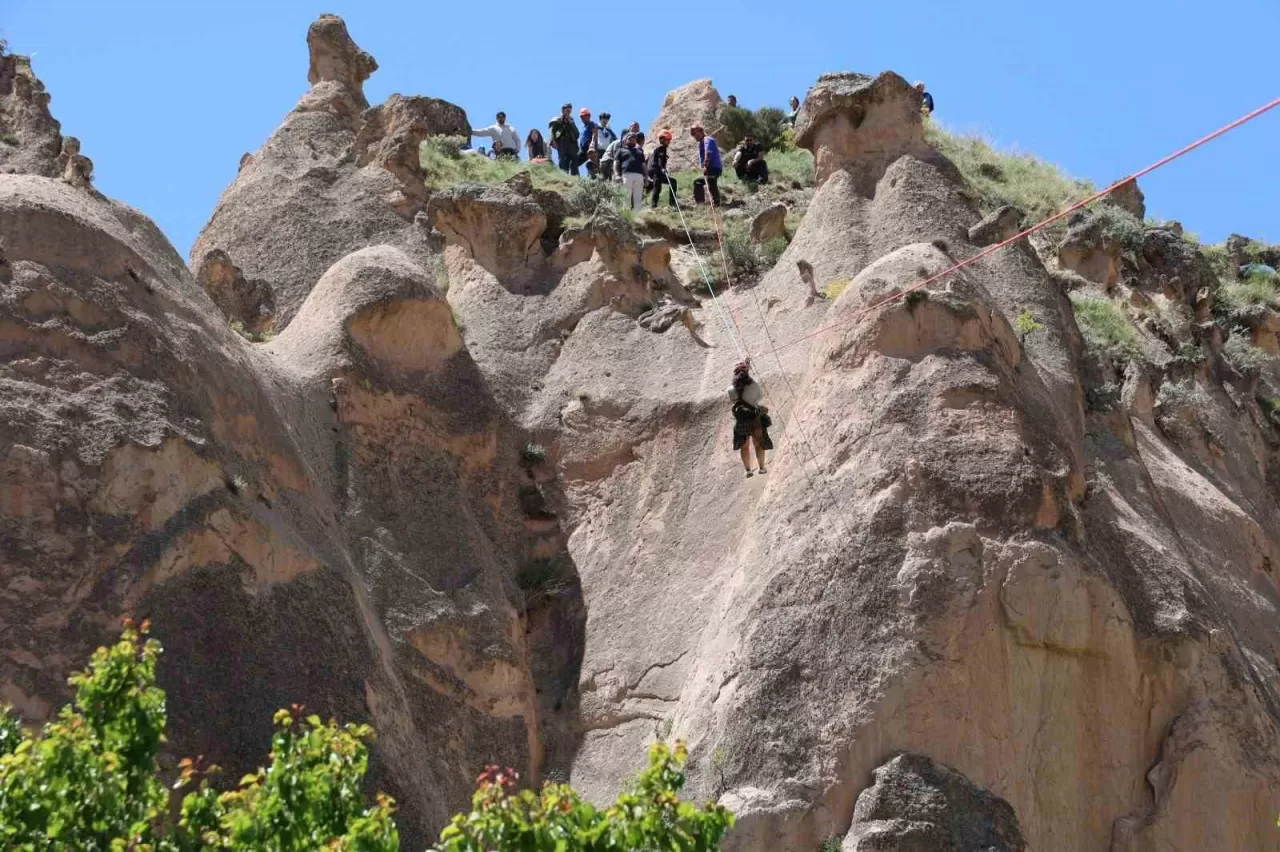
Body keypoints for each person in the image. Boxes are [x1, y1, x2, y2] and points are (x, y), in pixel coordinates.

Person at [728, 362, 772, 476]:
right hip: (755, 419)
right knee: (758, 444)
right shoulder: (754, 385)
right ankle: (762, 468)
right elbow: (760, 397)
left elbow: (733, 401)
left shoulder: (731, 389)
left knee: (744, 446)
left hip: (741, 421)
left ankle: (748, 470)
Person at [690, 123, 722, 206]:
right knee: (702, 182)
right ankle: (705, 203)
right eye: (693, 135)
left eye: (695, 134)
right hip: (711, 167)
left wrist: (705, 166)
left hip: (713, 167)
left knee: (709, 181)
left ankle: (715, 202)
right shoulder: (703, 141)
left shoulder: (707, 139)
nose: (694, 136)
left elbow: (708, 152)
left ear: (700, 131)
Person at [617, 133, 647, 211]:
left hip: (639, 176)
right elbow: (616, 163)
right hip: (626, 175)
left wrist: (646, 177)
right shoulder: (621, 150)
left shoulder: (639, 152)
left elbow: (643, 165)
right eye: (630, 138)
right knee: (626, 197)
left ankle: (638, 218)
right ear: (626, 140)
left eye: (634, 139)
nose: (632, 140)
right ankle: (627, 216)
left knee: (638, 198)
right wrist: (617, 174)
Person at [647, 128, 676, 208]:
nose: (669, 142)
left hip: (651, 172)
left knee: (652, 188)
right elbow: (659, 160)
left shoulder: (655, 149)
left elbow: (648, 160)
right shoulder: (661, 148)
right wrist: (662, 168)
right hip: (656, 172)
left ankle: (650, 206)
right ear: (662, 139)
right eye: (668, 140)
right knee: (658, 188)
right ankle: (671, 204)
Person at [549, 104, 580, 176]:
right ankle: (564, 179)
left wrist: (571, 123)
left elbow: (577, 134)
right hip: (562, 144)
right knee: (563, 163)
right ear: (563, 111)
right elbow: (552, 132)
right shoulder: (557, 120)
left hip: (572, 144)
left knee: (574, 162)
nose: (568, 112)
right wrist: (553, 141)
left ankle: (575, 179)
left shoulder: (571, 121)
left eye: (570, 111)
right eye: (567, 110)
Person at [578, 107, 601, 178]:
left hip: (590, 150)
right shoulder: (584, 127)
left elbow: (595, 133)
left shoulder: (591, 124)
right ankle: (575, 177)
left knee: (593, 166)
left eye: (584, 116)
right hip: (583, 149)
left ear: (589, 116)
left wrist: (592, 143)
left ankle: (595, 181)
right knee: (574, 162)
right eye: (581, 116)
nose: (583, 118)